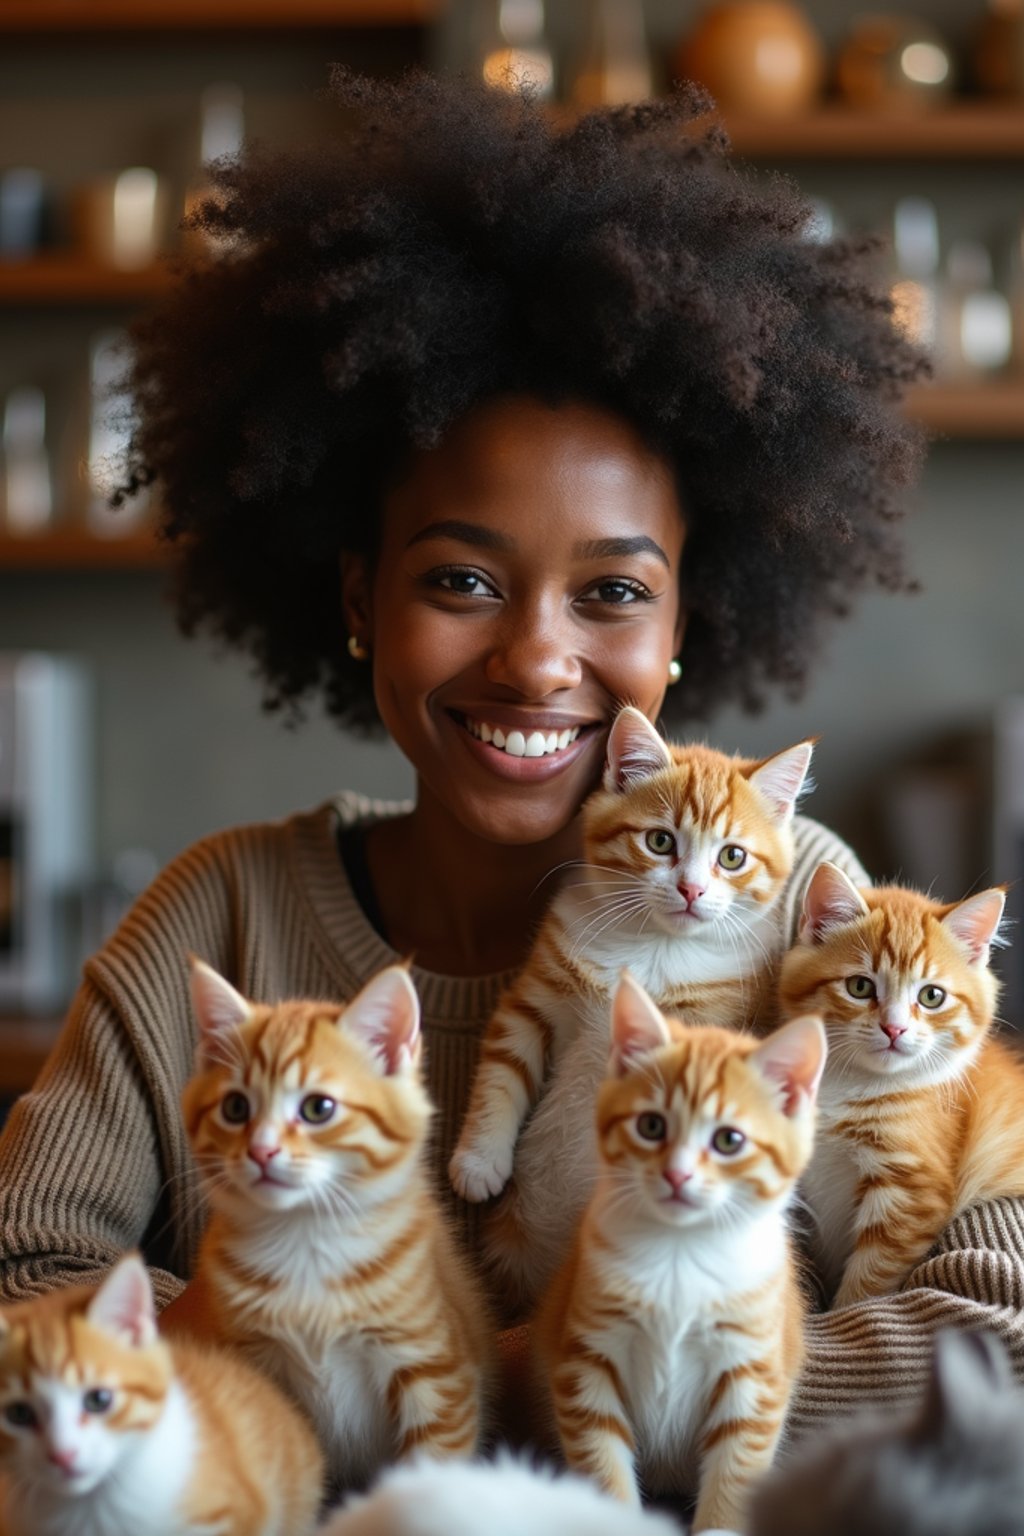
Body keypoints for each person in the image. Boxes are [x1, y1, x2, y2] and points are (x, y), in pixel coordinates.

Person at [1, 69, 1019, 1440]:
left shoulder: (796, 906)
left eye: (610, 594)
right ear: (357, 601)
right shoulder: (217, 922)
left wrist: (562, 1385)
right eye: (463, 582)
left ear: (679, 630)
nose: (539, 660)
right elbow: (24, 1293)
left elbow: (1003, 1322)